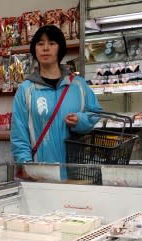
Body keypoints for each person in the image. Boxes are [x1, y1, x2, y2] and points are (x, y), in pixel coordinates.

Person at [11, 25, 102, 179]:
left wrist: (80, 120)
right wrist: (27, 165)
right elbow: (19, 133)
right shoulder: (26, 90)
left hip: (76, 172)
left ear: (60, 48)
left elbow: (95, 113)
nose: (45, 48)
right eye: (40, 44)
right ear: (35, 50)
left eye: (52, 43)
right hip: (41, 172)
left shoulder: (78, 85)